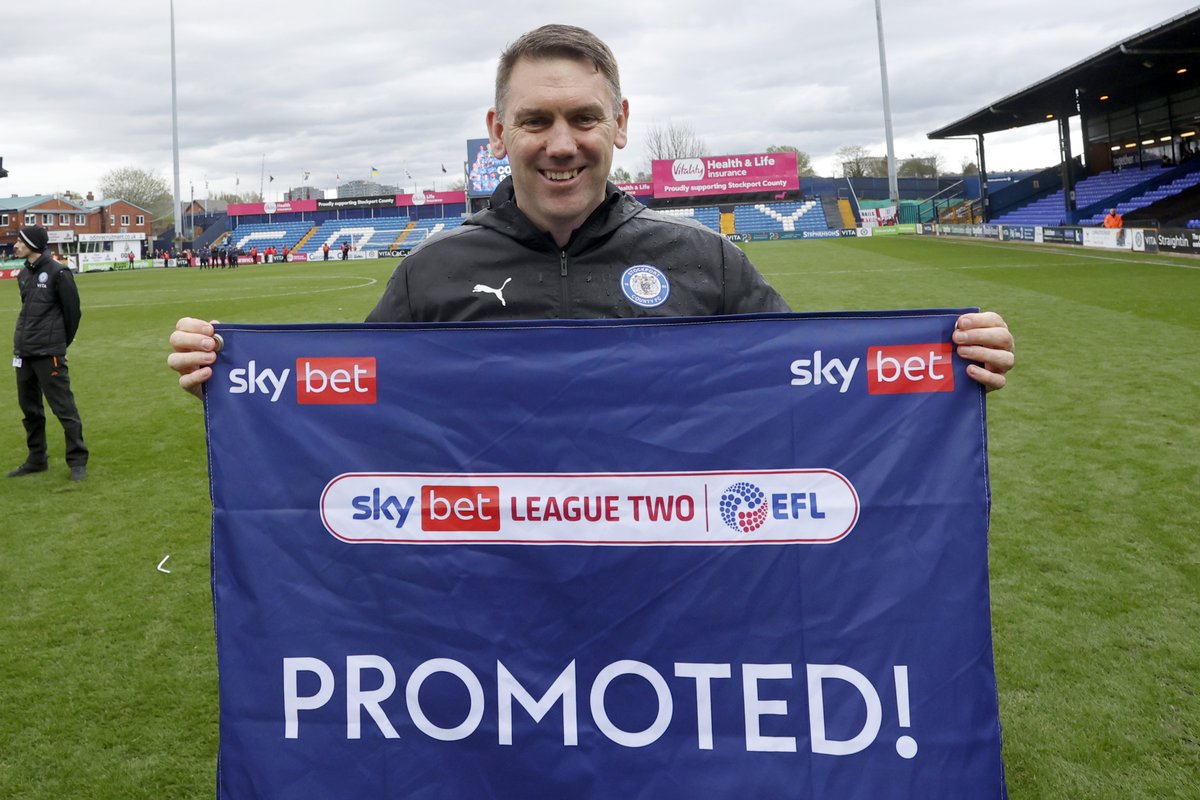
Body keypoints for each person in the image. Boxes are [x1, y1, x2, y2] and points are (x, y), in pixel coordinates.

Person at [169, 24, 1014, 395]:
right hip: (488, 590)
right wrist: (237, 375)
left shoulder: (708, 264)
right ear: (498, 133)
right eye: (535, 120)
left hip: (668, 587)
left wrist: (943, 365)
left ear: (619, 124)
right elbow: (350, 407)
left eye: (583, 118)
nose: (561, 142)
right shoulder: (432, 274)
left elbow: (801, 392)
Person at [9, 225, 88, 481]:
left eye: (19, 241)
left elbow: (72, 313)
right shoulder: (24, 274)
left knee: (63, 408)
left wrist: (59, 345)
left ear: (32, 244)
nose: (15, 245)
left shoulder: (59, 272)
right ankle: (36, 459)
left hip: (49, 352)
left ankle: (77, 461)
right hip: (25, 352)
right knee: (29, 408)